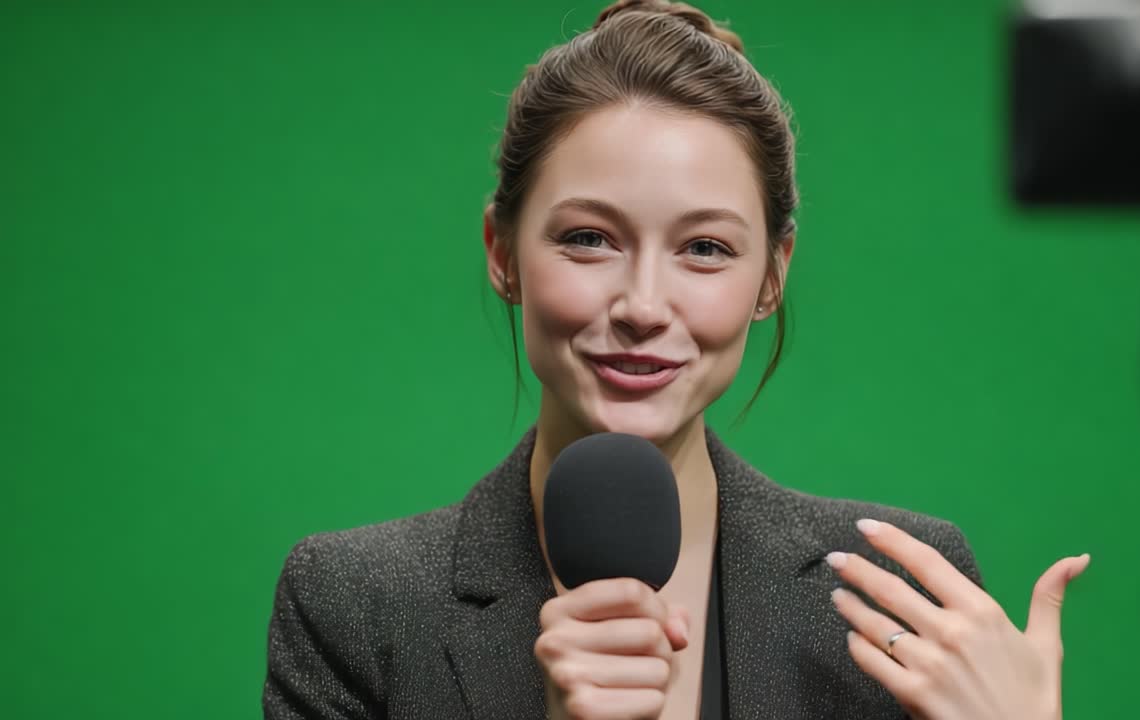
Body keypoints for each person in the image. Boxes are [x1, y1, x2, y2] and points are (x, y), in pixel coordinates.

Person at [261, 1, 1090, 718]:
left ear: (772, 276)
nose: (644, 307)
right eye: (588, 239)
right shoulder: (356, 607)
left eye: (704, 248)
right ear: (501, 252)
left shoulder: (899, 597)